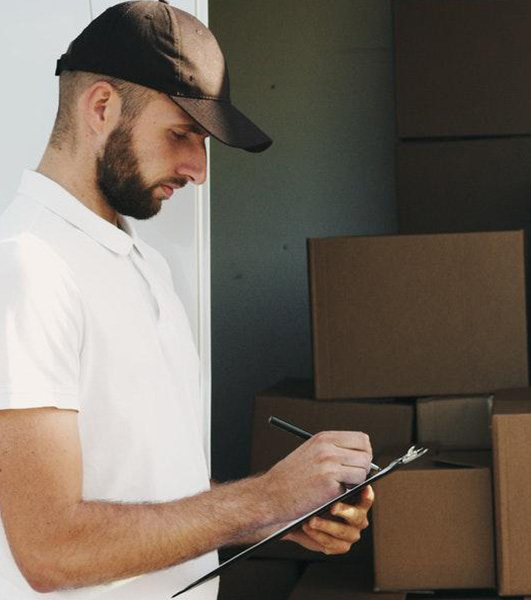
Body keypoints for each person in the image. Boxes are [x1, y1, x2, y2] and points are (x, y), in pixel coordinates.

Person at [0, 1, 374, 598]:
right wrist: (264, 497)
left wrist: (280, 516)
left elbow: (148, 490)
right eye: (182, 134)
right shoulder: (28, 266)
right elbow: (48, 549)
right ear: (101, 107)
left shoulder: (145, 265)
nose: (198, 170)